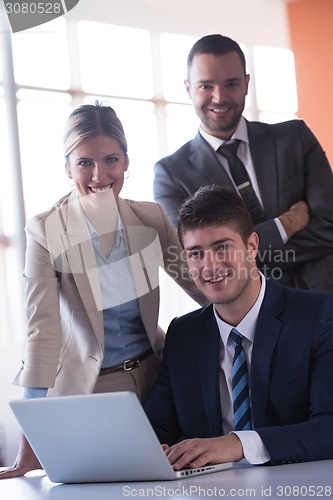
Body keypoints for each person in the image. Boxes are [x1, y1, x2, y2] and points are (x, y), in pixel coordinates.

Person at [0, 102, 207, 479]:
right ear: (67, 168)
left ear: (127, 160)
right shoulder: (46, 230)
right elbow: (42, 333)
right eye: (84, 163)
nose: (99, 174)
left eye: (111, 159)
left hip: (156, 379)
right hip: (91, 392)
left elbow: (202, 286)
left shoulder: (151, 218)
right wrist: (32, 439)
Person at [144, 185, 333, 469]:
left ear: (252, 246)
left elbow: (329, 427)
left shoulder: (318, 315)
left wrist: (237, 444)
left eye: (222, 247)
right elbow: (153, 430)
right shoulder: (183, 334)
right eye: (196, 253)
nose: (210, 266)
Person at [153, 34, 333, 290]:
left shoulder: (296, 138)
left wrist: (240, 258)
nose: (219, 97)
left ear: (247, 84)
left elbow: (331, 228)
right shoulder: (171, 175)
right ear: (188, 88)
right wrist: (286, 223)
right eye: (206, 86)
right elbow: (197, 266)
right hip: (253, 322)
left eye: (231, 84)